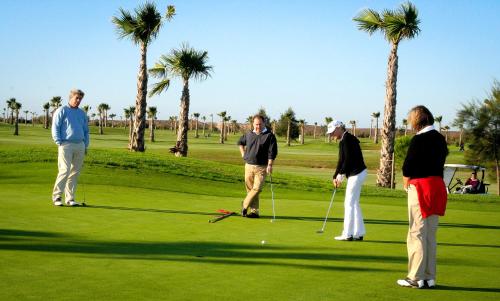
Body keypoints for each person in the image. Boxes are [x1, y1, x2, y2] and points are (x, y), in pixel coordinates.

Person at [398, 105, 448, 289]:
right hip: (437, 187)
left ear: (417, 120)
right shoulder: (441, 139)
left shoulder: (418, 139)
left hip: (420, 187)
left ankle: (415, 277)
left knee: (416, 232)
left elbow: (408, 167)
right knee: (429, 234)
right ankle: (429, 277)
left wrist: (405, 184)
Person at [328, 120, 367, 241]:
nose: (332, 135)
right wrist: (335, 175)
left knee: (349, 203)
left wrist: (341, 175)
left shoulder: (347, 140)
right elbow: (341, 160)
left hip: (356, 173)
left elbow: (348, 160)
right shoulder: (345, 139)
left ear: (339, 128)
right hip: (358, 173)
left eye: (333, 132)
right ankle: (359, 232)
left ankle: (347, 233)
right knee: (354, 203)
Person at [51, 89, 89, 206]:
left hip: (80, 145)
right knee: (64, 170)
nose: (78, 101)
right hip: (65, 144)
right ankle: (57, 197)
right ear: (71, 97)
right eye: (76, 98)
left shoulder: (82, 113)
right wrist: (59, 141)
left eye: (80, 99)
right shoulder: (62, 110)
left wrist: (85, 145)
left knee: (75, 172)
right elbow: (55, 127)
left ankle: (70, 198)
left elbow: (86, 131)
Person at [238, 114, 278, 218]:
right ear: (253, 124)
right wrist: (243, 154)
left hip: (262, 167)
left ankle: (244, 204)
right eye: (256, 124)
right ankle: (254, 212)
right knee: (250, 189)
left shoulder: (269, 136)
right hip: (249, 166)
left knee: (257, 188)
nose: (258, 126)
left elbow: (272, 152)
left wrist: (270, 164)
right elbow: (240, 143)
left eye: (260, 124)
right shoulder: (249, 134)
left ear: (264, 123)